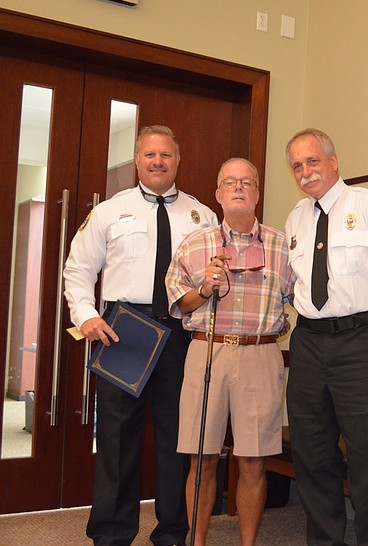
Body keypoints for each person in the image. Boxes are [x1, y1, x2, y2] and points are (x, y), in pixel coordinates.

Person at [64, 125, 218, 546]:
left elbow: (212, 282)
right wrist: (87, 315)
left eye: (165, 155)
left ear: (178, 160)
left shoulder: (202, 215)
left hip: (180, 332)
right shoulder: (110, 211)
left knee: (176, 439)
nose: (157, 161)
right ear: (137, 161)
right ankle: (112, 534)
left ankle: (172, 533)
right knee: (116, 439)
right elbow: (77, 270)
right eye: (149, 155)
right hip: (123, 330)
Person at [283, 128, 368, 546]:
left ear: (334, 161)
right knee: (313, 454)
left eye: (313, 161)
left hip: (362, 342)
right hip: (307, 344)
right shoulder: (296, 217)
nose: (305, 172)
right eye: (297, 166)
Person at [165, 157, 291, 546]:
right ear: (217, 194)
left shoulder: (282, 245)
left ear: (257, 192)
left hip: (260, 353)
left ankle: (247, 543)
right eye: (230, 182)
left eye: (247, 182)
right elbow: (177, 302)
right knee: (201, 459)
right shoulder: (194, 243)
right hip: (208, 352)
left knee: (253, 460)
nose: (239, 188)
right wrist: (204, 288)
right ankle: (197, 541)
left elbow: (296, 299)